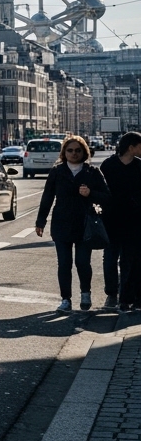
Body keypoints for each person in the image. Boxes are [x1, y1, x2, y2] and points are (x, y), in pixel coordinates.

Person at [36, 135, 111, 312]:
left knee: (82, 262)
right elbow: (47, 197)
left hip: (85, 224)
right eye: (70, 150)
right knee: (64, 263)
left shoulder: (92, 172)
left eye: (78, 150)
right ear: (64, 153)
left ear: (84, 152)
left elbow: (107, 197)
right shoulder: (57, 172)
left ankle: (85, 293)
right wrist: (41, 221)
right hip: (61, 223)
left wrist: (90, 194)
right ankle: (66, 299)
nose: (74, 153)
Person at [101, 132, 141, 311]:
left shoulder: (139, 166)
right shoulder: (108, 165)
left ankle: (125, 296)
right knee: (110, 256)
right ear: (131, 147)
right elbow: (101, 190)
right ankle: (111, 293)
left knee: (129, 259)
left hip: (134, 220)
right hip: (111, 219)